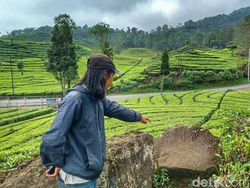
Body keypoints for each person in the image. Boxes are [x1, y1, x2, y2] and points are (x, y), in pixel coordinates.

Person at [40, 54, 150, 188]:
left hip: (87, 174)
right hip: (77, 179)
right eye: (112, 76)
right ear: (105, 75)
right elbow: (53, 138)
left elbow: (115, 109)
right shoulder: (75, 99)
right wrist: (57, 162)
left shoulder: (94, 97)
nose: (112, 81)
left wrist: (137, 116)